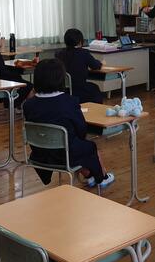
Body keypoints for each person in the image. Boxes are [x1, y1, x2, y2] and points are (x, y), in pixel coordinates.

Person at [22, 59, 114, 189]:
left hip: (40, 154)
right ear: (61, 79)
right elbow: (81, 129)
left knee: (79, 148)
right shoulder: (69, 102)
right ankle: (101, 178)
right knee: (90, 147)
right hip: (64, 155)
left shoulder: (28, 105)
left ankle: (90, 176)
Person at [55, 28, 103, 104]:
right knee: (95, 88)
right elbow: (96, 66)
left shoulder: (59, 54)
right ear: (80, 41)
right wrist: (100, 63)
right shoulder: (84, 53)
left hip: (63, 90)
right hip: (79, 90)